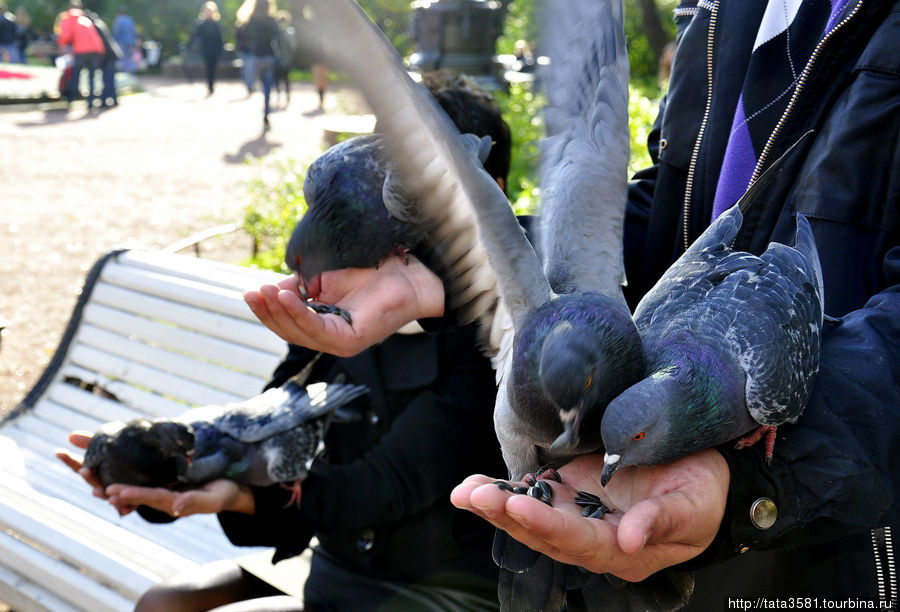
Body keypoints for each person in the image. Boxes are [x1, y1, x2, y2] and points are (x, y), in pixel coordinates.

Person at [245, 0, 900, 606]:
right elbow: (668, 214)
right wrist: (453, 270)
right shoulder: (727, 6)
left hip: (835, 548)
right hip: (639, 500)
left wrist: (760, 478)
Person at [59, 73, 514, 611]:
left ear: (490, 195)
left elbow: (389, 484)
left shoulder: (498, 328)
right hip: (333, 568)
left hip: (442, 592)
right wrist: (156, 465)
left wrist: (245, 497)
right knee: (165, 604)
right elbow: (273, 417)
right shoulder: (332, 295)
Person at [55, 0, 105, 110]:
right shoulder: (86, 19)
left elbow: (65, 35)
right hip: (95, 51)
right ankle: (91, 101)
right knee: (91, 77)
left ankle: (70, 99)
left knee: (75, 76)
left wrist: (61, 45)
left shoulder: (68, 19)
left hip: (81, 51)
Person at [242, 0, 280, 131]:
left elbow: (244, 34)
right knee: (267, 86)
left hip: (256, 55)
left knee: (255, 80)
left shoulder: (252, 19)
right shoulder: (271, 20)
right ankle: (266, 112)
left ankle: (252, 88)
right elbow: (277, 35)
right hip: (269, 55)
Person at [86, 9, 122, 108]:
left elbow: (102, 44)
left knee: (107, 79)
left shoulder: (95, 26)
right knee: (109, 78)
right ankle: (112, 100)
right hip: (111, 54)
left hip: (108, 56)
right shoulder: (99, 23)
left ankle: (105, 100)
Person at [187, 1, 224, 97]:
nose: (209, 13)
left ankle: (212, 85)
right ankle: (210, 86)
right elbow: (194, 36)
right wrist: (190, 45)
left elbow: (220, 38)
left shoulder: (216, 24)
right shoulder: (201, 24)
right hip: (206, 49)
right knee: (208, 67)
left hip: (215, 50)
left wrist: (220, 49)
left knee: (213, 68)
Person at [112, 5, 137, 73]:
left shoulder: (119, 20)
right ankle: (133, 71)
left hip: (123, 42)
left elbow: (117, 32)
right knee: (129, 57)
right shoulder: (130, 20)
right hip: (131, 42)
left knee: (123, 58)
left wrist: (114, 42)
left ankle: (125, 73)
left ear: (118, 13)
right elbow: (134, 31)